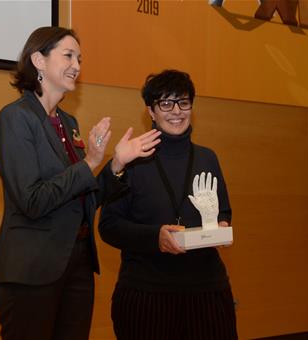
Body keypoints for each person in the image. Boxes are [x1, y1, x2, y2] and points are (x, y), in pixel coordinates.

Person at [0, 26, 161, 340]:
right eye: (68, 55)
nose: (77, 66)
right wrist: (90, 162)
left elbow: (85, 198)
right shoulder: (16, 118)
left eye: (80, 58)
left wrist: (116, 164)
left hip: (77, 262)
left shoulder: (69, 123)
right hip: (32, 269)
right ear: (38, 60)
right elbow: (32, 200)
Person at [99, 69, 238, 340]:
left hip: (207, 291)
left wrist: (221, 226)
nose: (176, 111)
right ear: (151, 111)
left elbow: (224, 211)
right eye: (166, 103)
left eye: (183, 102)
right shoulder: (132, 159)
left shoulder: (207, 158)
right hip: (146, 295)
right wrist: (155, 237)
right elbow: (109, 226)